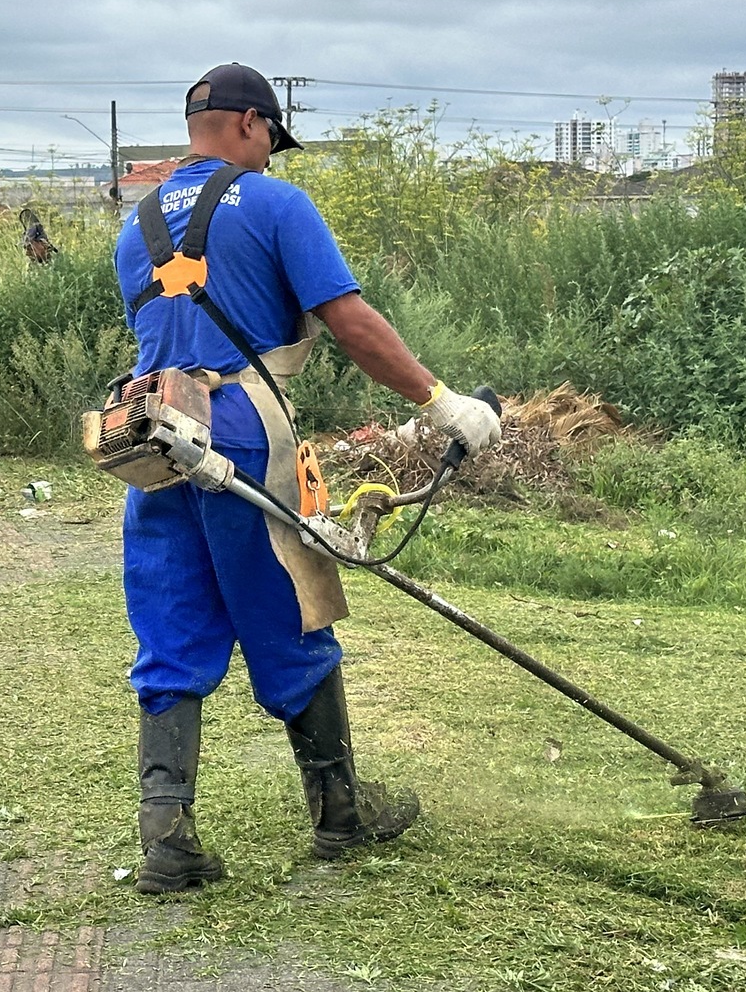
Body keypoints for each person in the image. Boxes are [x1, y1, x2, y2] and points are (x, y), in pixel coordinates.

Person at [115, 64, 501, 894]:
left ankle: (167, 839)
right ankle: (339, 815)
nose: (268, 155)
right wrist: (440, 404)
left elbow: (166, 328)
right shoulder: (276, 203)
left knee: (172, 626)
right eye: (269, 141)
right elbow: (350, 321)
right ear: (252, 125)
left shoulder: (135, 225)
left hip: (151, 437)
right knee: (290, 609)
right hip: (246, 430)